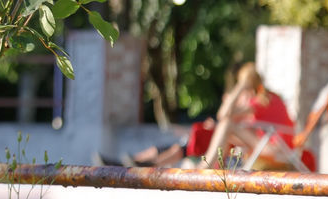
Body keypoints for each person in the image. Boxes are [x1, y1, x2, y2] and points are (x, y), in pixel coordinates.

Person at [103, 63, 297, 169]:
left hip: (275, 148)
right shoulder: (270, 99)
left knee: (220, 127)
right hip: (276, 144)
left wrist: (240, 87)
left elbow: (224, 115)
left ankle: (207, 165)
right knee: (211, 132)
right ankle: (140, 162)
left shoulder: (261, 100)